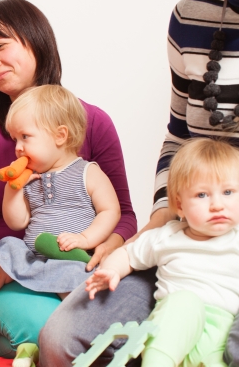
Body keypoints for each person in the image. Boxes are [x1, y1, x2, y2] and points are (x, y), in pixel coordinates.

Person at [39, 0, 239, 365]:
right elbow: (179, 134)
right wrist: (167, 207)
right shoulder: (191, 17)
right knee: (60, 340)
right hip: (192, 231)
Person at [0, 0, 136, 358]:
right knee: (46, 330)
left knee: (87, 331)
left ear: (36, 40)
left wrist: (107, 245)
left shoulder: (92, 120)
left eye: (0, 46)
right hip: (7, 269)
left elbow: (122, 213)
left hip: (73, 267)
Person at [0, 85, 120, 360]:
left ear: (60, 136)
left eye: (25, 137)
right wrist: (12, 191)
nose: (17, 148)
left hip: (68, 257)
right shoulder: (31, 178)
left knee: (80, 287)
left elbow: (111, 211)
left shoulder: (88, 172)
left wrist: (86, 239)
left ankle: (80, 335)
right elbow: (17, 221)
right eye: (15, 139)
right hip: (32, 256)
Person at [86, 138, 239, 366]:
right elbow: (128, 254)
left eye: (228, 192)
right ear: (179, 205)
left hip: (221, 334)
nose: (217, 204)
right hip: (173, 326)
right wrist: (110, 270)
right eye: (202, 195)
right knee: (185, 303)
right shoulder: (166, 236)